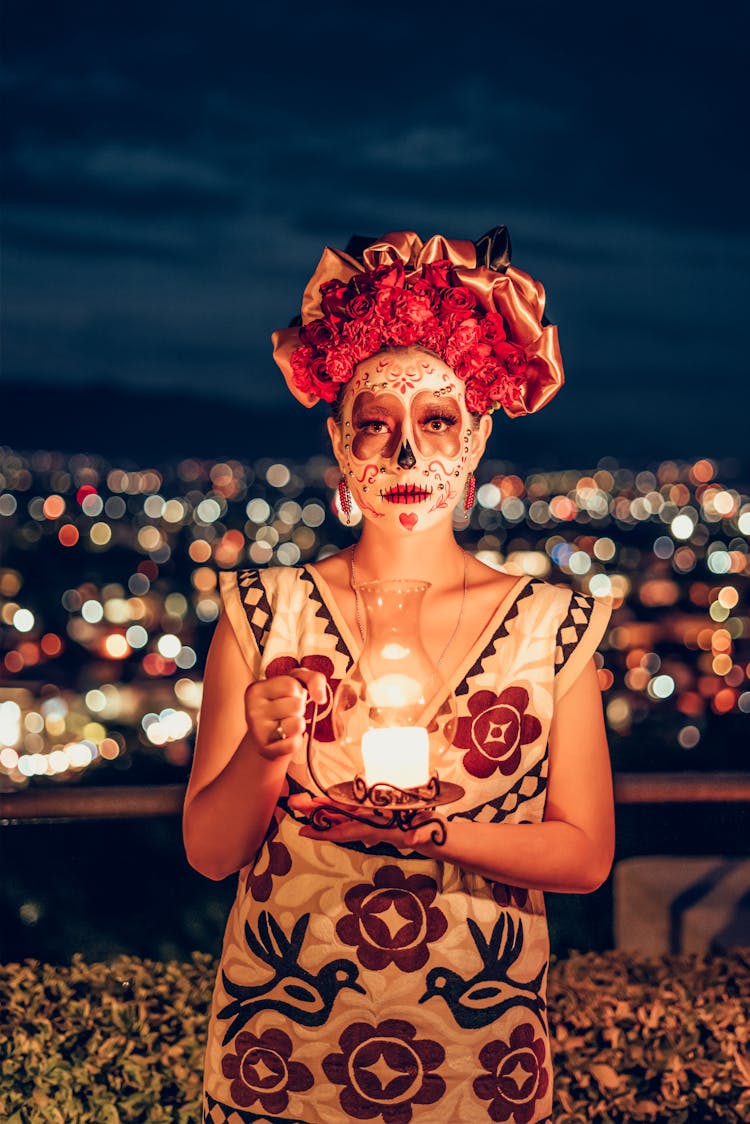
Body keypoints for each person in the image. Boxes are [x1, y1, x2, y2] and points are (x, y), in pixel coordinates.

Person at [183, 227, 615, 1124]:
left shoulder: (552, 625)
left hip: (479, 1063)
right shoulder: (264, 613)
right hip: (282, 1058)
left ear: (480, 436)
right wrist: (266, 753)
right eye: (377, 426)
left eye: (438, 422)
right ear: (341, 442)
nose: (408, 456)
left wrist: (434, 837)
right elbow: (212, 852)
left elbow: (584, 853)